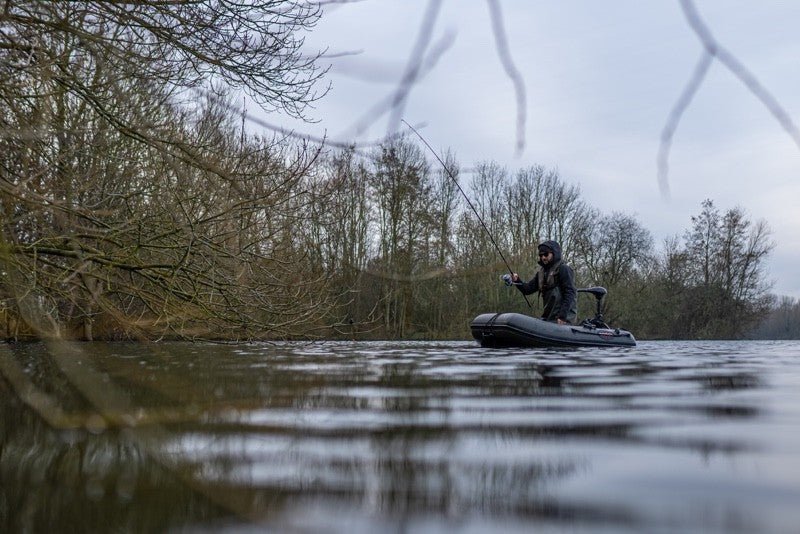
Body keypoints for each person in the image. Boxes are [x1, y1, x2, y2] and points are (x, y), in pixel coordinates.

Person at [508, 240, 577, 324]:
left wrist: (562, 316)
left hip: (563, 319)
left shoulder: (563, 269)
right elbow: (528, 289)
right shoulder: (541, 273)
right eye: (541, 255)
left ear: (554, 253)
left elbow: (570, 293)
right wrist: (517, 280)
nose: (543, 257)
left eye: (546, 254)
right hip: (548, 318)